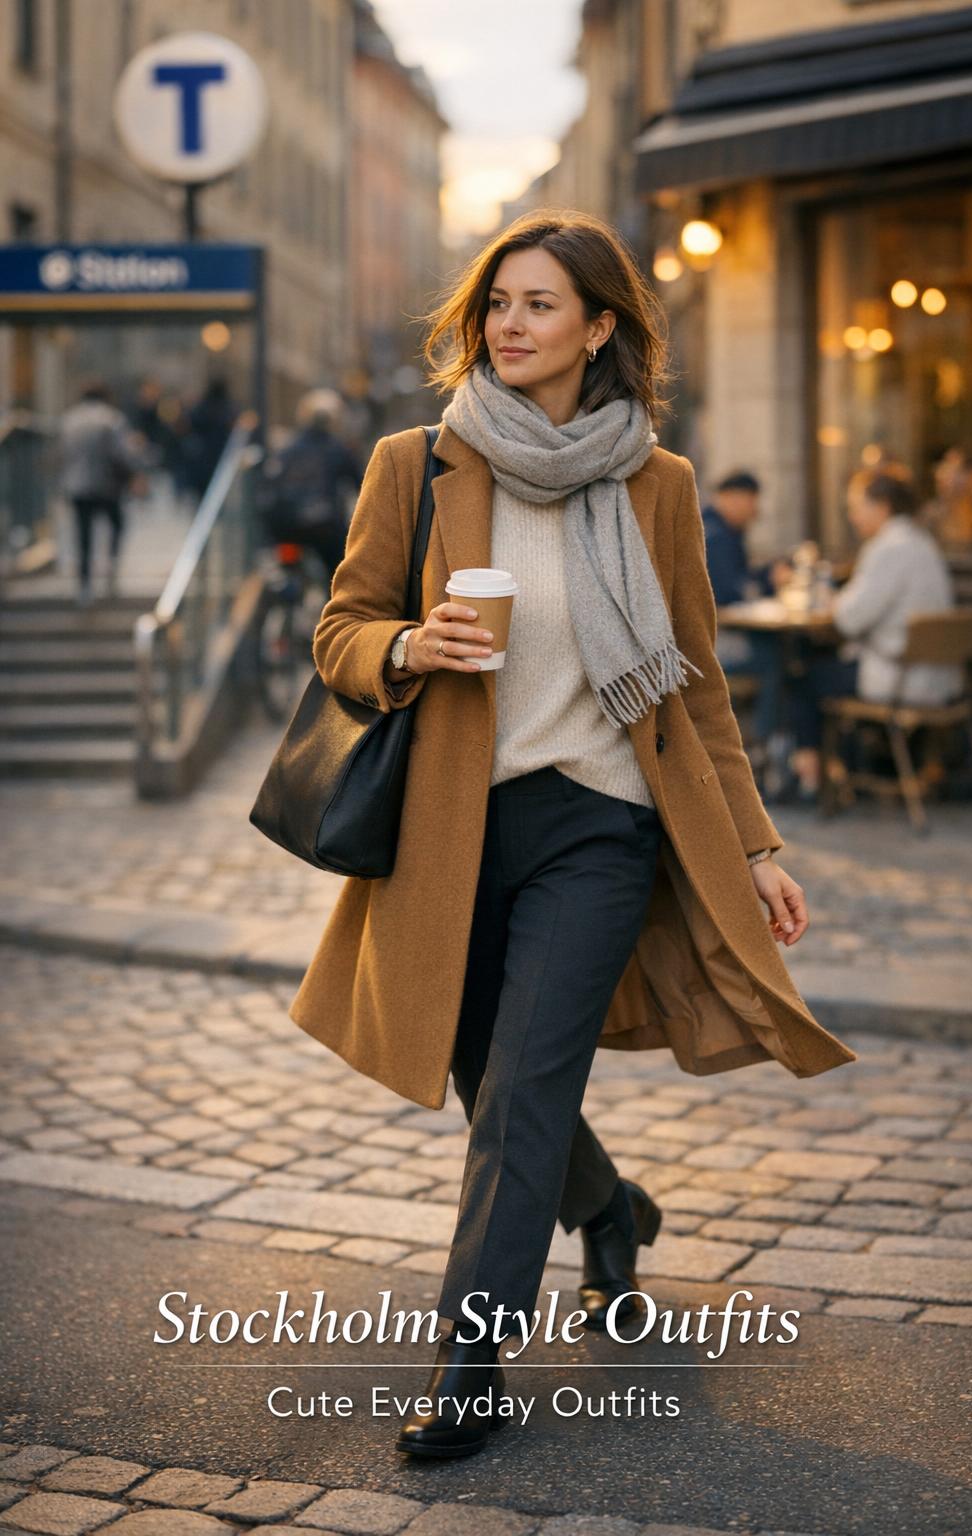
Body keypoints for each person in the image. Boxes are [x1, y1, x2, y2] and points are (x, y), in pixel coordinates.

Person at [286, 209, 857, 1459]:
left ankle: (469, 1370)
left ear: (600, 327)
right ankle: (614, 1209)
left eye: (539, 305)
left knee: (526, 1093)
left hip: (601, 827)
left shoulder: (657, 487)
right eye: (497, 304)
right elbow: (338, 632)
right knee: (485, 1075)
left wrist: (756, 846)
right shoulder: (417, 464)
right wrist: (404, 646)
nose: (509, 325)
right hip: (450, 829)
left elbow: (695, 681)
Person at [786, 470, 963, 796]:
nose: (852, 517)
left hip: (900, 679)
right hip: (940, 678)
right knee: (823, 667)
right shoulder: (922, 543)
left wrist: (831, 599)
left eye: (856, 506)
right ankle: (836, 772)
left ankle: (810, 780)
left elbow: (850, 620)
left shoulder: (888, 548)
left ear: (881, 507)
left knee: (803, 677)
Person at [702, 470, 792, 745]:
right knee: (777, 658)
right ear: (734, 498)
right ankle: (767, 742)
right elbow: (732, 592)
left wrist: (763, 577)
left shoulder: (721, 530)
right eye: (753, 500)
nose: (756, 510)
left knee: (779, 649)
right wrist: (767, 580)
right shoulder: (716, 535)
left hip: (713, 634)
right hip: (711, 642)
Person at [257, 388, 363, 592]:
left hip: (283, 526)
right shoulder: (338, 450)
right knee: (339, 574)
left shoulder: (288, 448)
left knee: (275, 568)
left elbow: (269, 483)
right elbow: (363, 485)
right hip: (322, 525)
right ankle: (336, 613)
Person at [57, 379, 145, 605]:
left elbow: (62, 454)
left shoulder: (69, 419)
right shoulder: (112, 419)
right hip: (106, 484)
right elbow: (121, 454)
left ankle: (85, 585)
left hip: (76, 484)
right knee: (117, 524)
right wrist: (134, 473)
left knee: (83, 535)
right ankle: (110, 569)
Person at [181, 376, 236, 501]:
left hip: (205, 455)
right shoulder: (226, 408)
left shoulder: (203, 407)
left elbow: (190, 423)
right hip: (217, 453)